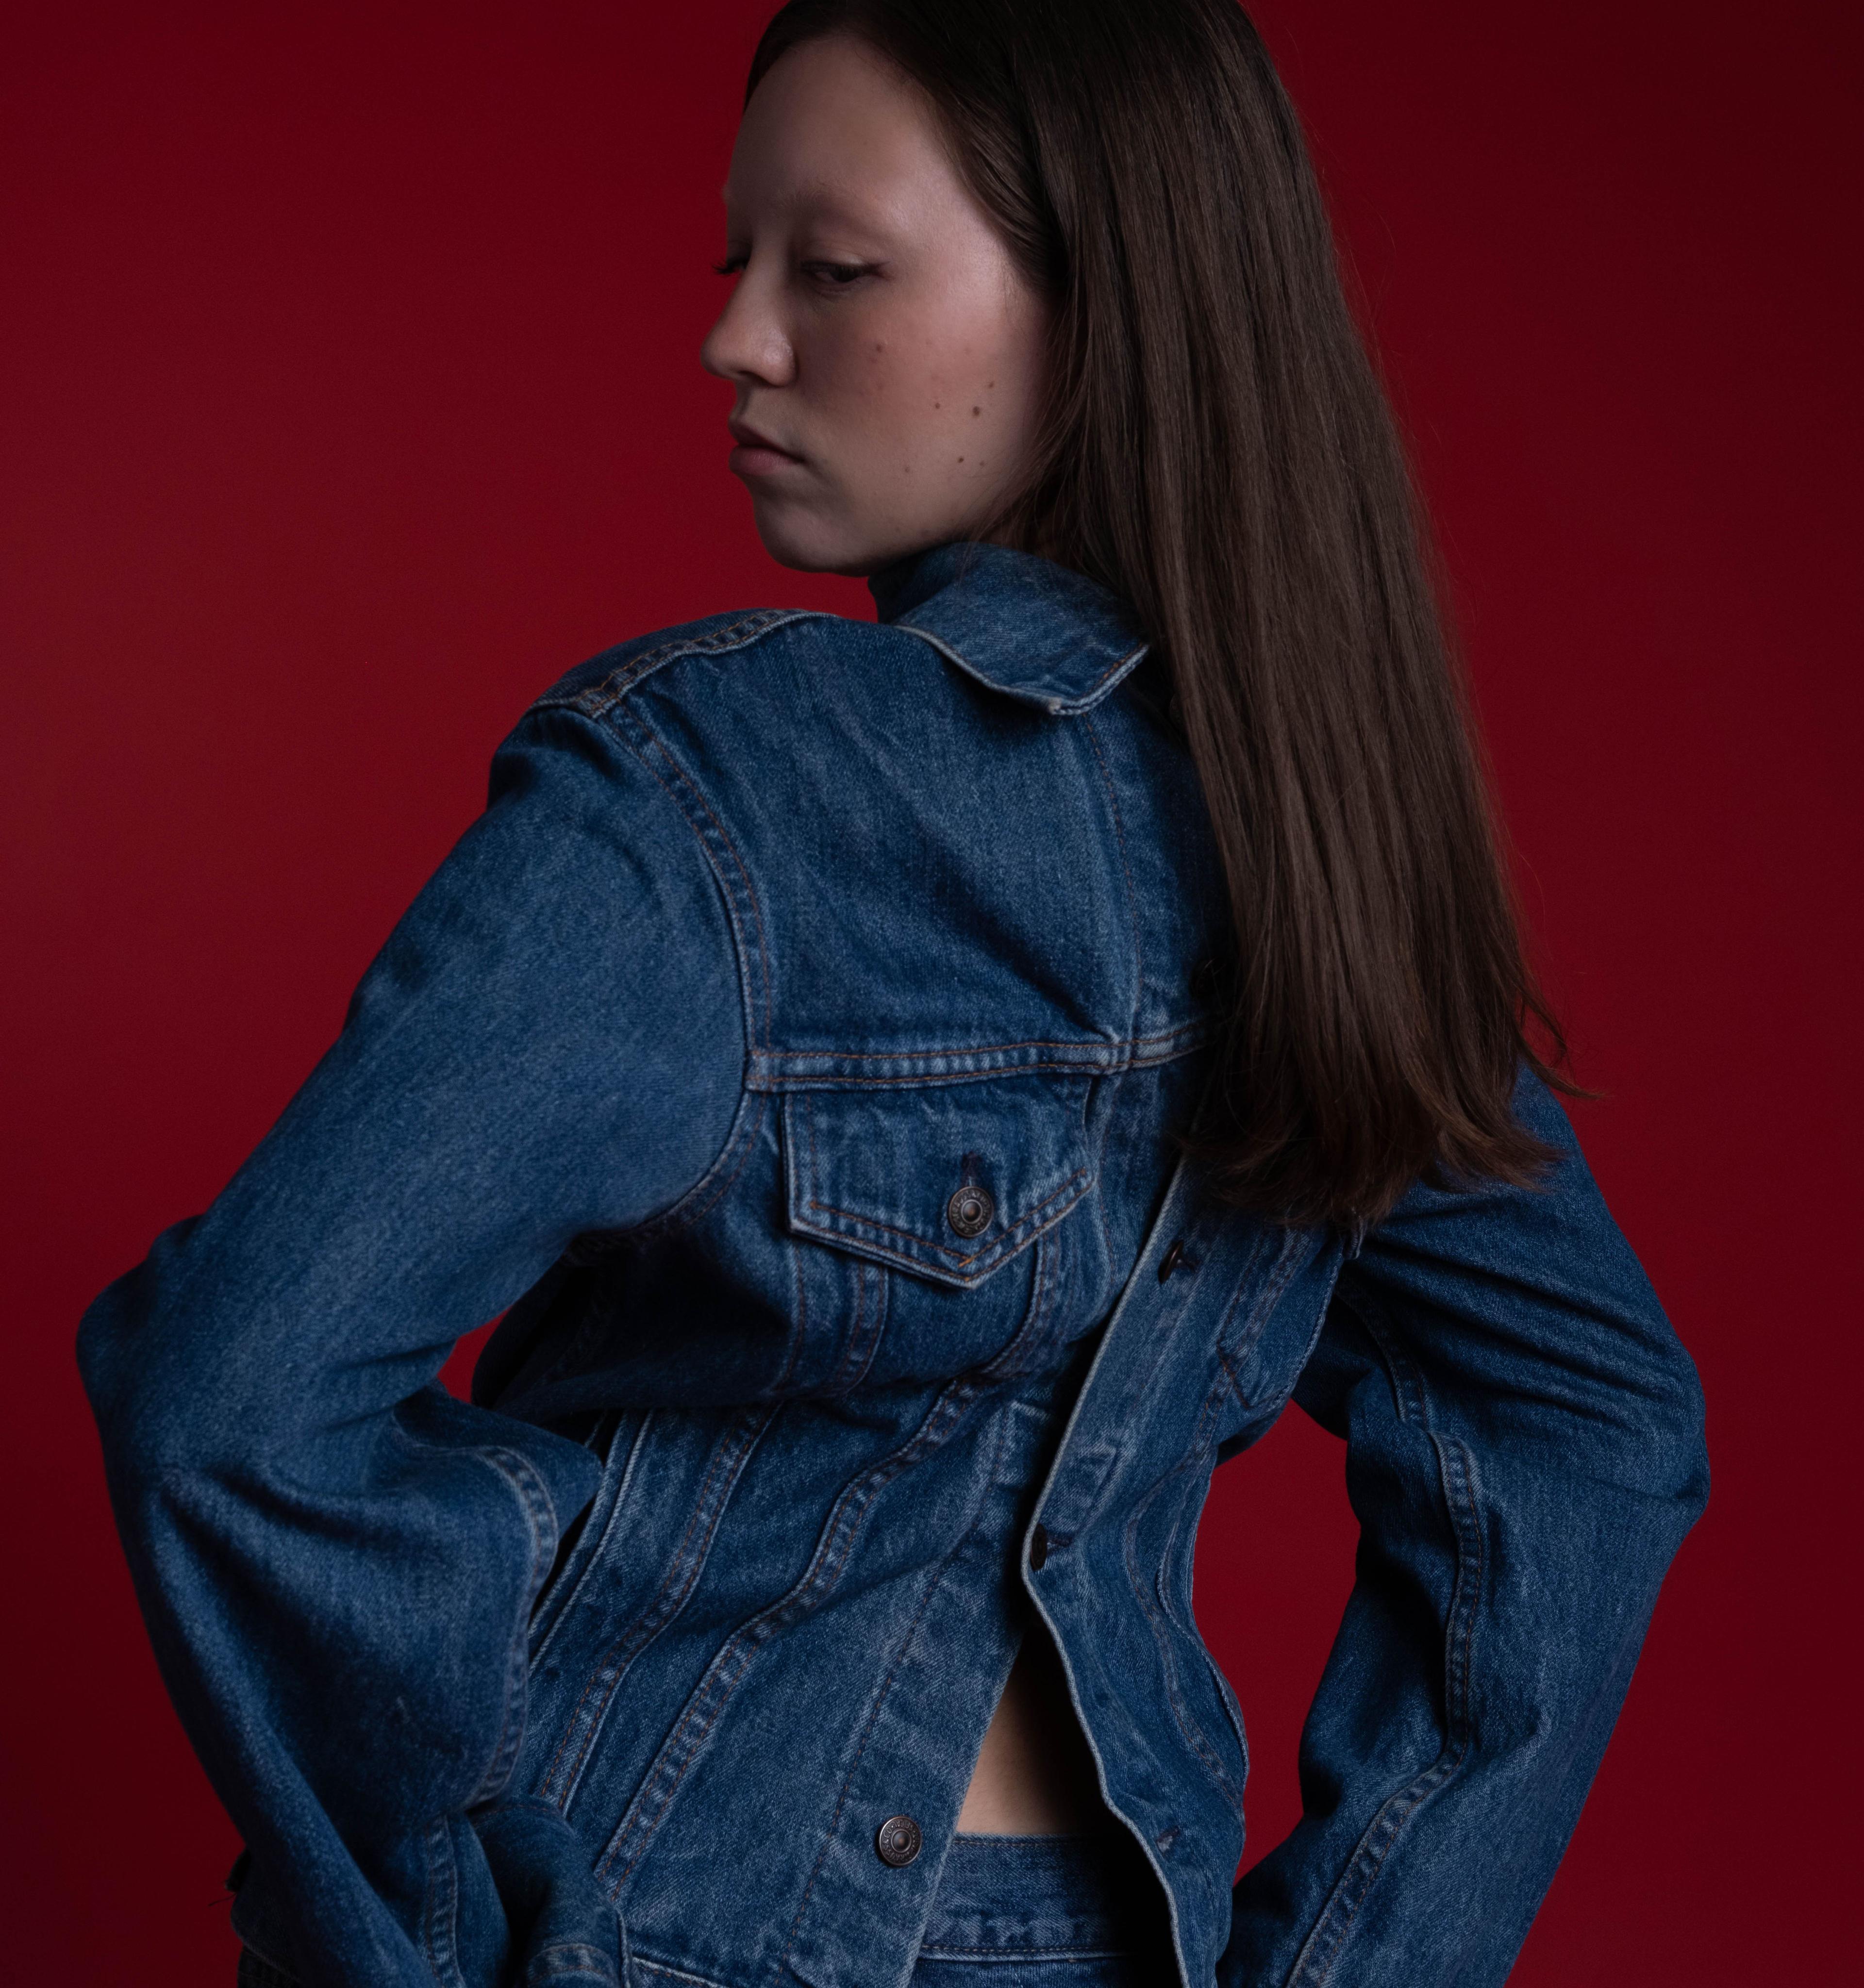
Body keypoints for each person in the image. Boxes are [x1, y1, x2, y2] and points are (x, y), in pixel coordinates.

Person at [77, 3, 1709, 1985]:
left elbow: (230, 1398)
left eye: (833, 268)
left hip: (656, 1927)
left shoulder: (716, 782)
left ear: (1110, 301)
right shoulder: (1324, 842)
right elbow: (1592, 1425)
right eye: (736, 263)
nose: (739, 338)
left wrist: (445, 1911)